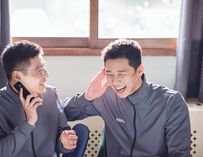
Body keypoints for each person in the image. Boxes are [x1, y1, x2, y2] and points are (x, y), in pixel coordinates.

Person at [63, 39, 191, 157]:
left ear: (139, 71)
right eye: (110, 74)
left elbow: (179, 154)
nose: (115, 81)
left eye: (121, 74)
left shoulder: (171, 102)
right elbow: (65, 113)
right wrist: (88, 96)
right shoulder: (106, 96)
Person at [0, 40, 78, 157]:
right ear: (17, 76)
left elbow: (62, 136)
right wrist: (29, 123)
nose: (46, 75)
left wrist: (65, 143)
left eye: (44, 68)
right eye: (39, 70)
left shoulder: (51, 94)